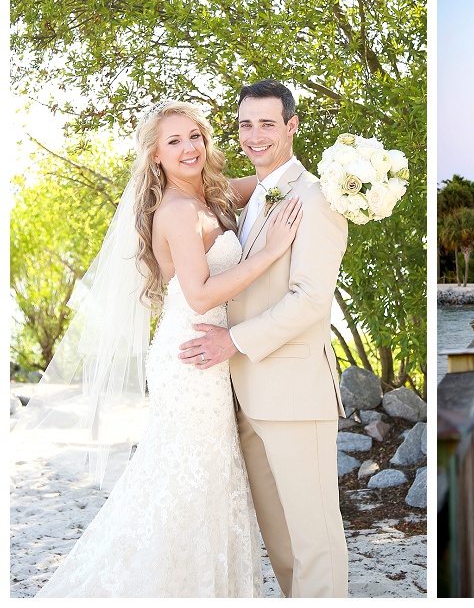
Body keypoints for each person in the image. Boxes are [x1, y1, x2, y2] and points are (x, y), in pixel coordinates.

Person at [26, 100, 302, 597]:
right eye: (173, 141)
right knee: (187, 478)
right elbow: (198, 294)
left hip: (213, 352)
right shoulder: (177, 210)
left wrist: (345, 179)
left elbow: (271, 180)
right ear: (155, 155)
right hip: (191, 356)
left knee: (208, 477)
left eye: (194, 136)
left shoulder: (211, 196)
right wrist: (270, 251)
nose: (188, 147)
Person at [177, 80, 350, 598]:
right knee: (281, 544)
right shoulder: (253, 195)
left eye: (267, 124)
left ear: (292, 126)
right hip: (244, 395)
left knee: (315, 541)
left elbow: (310, 301)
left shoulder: (316, 199)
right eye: (246, 124)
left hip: (295, 394)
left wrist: (233, 342)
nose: (254, 136)